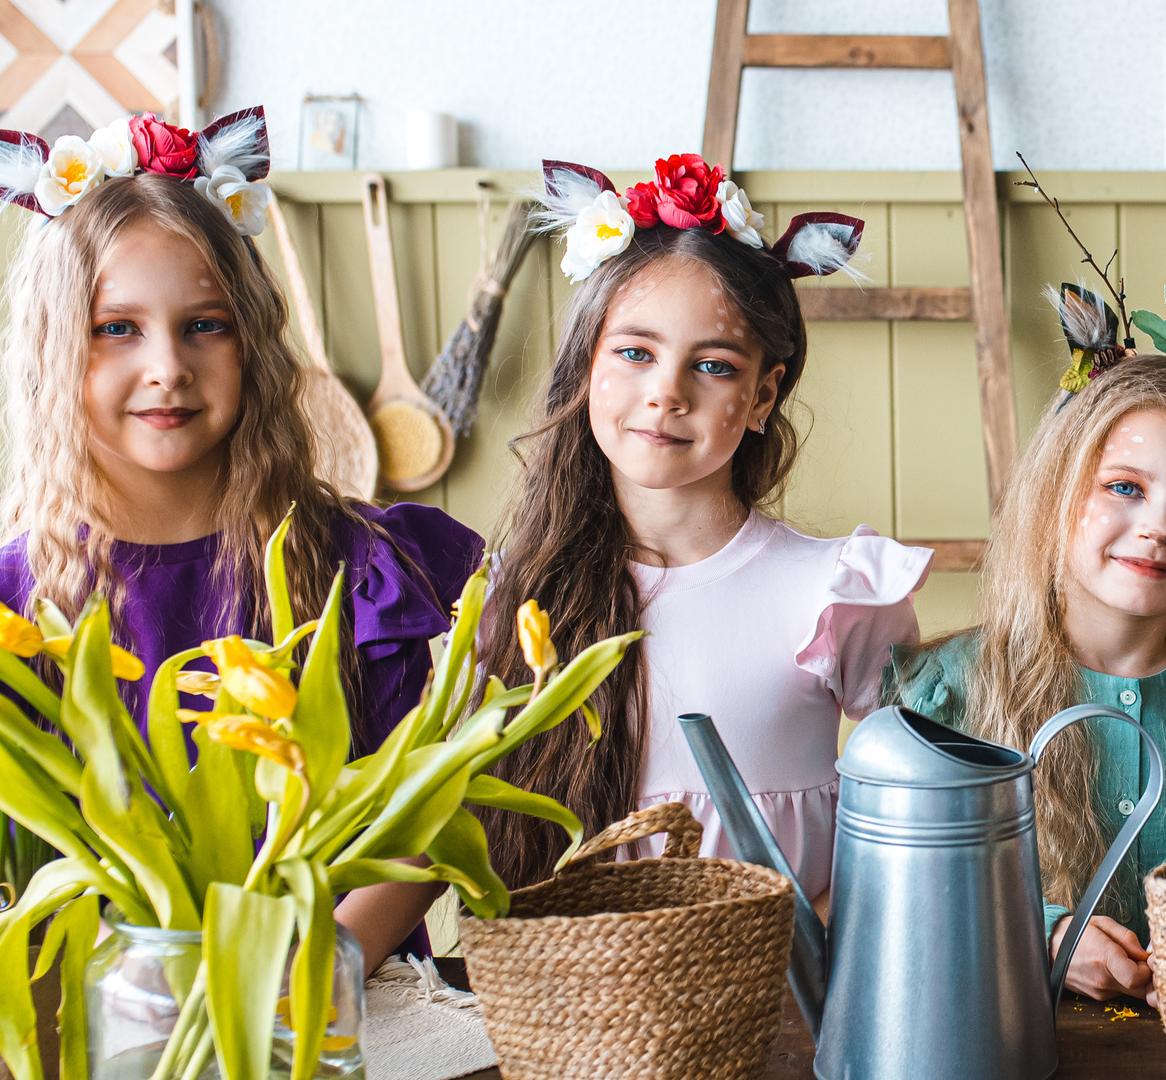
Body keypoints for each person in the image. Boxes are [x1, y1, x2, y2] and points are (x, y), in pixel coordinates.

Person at [0, 109, 481, 950]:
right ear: (52, 352)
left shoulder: (354, 569)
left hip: (349, 1026)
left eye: (203, 325)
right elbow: (20, 875)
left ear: (252, 342)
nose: (168, 367)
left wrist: (314, 979)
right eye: (117, 329)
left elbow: (415, 818)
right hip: (120, 1037)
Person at [337, 153, 928, 957]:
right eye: (635, 352)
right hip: (582, 1014)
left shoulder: (835, 592)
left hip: (780, 1003)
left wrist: (819, 937)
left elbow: (926, 806)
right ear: (588, 367)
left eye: (713, 366)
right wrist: (314, 978)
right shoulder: (518, 596)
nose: (667, 392)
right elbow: (443, 819)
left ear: (762, 395)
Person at [887, 274, 1166, 1000]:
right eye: (1124, 487)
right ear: (1058, 488)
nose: (1160, 526)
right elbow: (906, 889)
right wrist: (1049, 931)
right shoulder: (950, 694)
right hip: (1010, 1058)